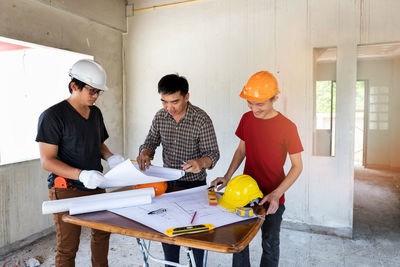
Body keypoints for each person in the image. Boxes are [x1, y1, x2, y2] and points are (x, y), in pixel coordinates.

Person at [36, 59, 125, 267]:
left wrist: (110, 156)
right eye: (91, 91)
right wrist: (81, 175)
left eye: (98, 92)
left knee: (102, 236)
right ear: (74, 86)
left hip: (96, 185)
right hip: (67, 188)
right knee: (68, 248)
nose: (95, 96)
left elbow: (98, 142)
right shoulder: (52, 116)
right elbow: (47, 161)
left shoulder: (95, 113)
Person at [210, 71, 303, 267]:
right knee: (239, 243)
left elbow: (297, 166)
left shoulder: (288, 127)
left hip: (272, 199)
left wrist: (277, 194)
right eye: (250, 103)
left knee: (269, 244)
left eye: (260, 104)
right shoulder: (247, 119)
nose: (254, 108)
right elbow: (241, 149)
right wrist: (227, 177)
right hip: (245, 195)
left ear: (275, 99)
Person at [136, 73, 220, 267]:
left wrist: (200, 162)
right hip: (167, 185)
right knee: (170, 236)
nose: (169, 108)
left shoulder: (201, 119)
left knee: (196, 239)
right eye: (164, 102)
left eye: (174, 101)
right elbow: (150, 141)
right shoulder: (160, 116)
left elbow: (213, 154)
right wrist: (145, 153)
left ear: (187, 97)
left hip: (194, 186)